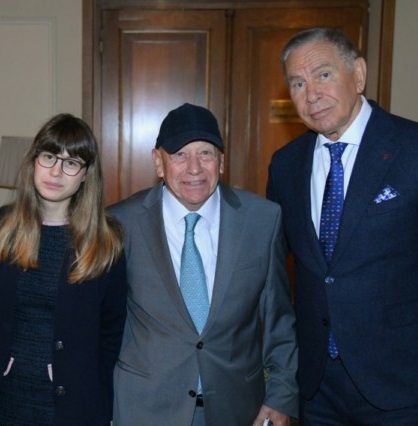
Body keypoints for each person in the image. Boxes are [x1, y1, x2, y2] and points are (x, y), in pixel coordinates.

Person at [266, 27, 418, 425]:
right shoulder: (285, 165)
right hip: (316, 388)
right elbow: (272, 272)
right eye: (298, 83)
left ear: (359, 74)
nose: (311, 94)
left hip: (404, 387)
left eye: (323, 75)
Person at [109, 103, 298, 426]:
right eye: (180, 155)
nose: (194, 168)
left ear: (221, 161)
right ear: (158, 162)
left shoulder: (262, 220)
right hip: (144, 409)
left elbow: (279, 321)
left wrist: (281, 398)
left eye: (206, 154)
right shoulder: (119, 223)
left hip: (237, 410)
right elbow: (102, 326)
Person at [0, 113, 127, 425]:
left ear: (85, 175)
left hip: (71, 403)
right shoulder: (2, 225)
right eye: (49, 156)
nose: (56, 171)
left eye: (71, 162)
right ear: (34, 160)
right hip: (3, 397)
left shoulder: (106, 240)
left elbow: (112, 332)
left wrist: (103, 403)